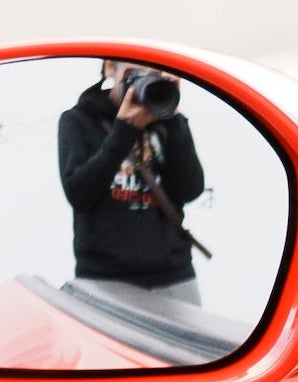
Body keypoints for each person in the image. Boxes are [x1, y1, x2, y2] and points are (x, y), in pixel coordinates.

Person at [58, 64, 203, 296]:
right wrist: (125, 130)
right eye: (135, 74)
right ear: (110, 68)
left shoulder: (169, 121)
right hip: (103, 278)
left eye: (154, 74)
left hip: (174, 276)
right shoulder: (79, 120)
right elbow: (79, 195)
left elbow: (190, 189)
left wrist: (172, 113)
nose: (145, 82)